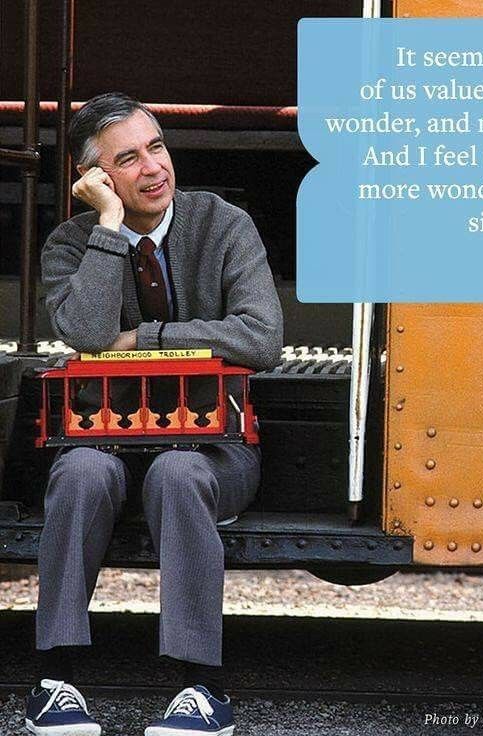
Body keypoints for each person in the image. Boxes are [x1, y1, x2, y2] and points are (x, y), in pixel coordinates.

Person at [25, 93, 283, 736]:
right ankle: (56, 681)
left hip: (213, 445)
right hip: (104, 439)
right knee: (80, 474)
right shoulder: (71, 243)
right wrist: (109, 227)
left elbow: (260, 339)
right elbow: (85, 332)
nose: (153, 168)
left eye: (157, 147)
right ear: (95, 179)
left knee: (178, 474)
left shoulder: (224, 223)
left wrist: (143, 341)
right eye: (129, 159)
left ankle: (201, 691)